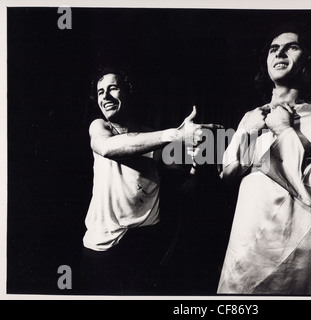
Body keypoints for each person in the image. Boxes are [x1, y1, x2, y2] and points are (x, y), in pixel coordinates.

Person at [217, 25, 311, 295]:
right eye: (274, 49)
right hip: (244, 246)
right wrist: (248, 132)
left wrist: (285, 131)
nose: (281, 52)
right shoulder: (250, 116)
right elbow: (227, 173)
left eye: (292, 47)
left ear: (307, 61)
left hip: (293, 251)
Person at [79, 66, 220, 295]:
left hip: (145, 243)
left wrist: (198, 162)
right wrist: (175, 135)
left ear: (128, 91)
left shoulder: (151, 137)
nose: (105, 97)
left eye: (112, 88)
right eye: (100, 92)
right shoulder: (100, 127)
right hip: (102, 245)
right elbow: (106, 148)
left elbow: (186, 184)